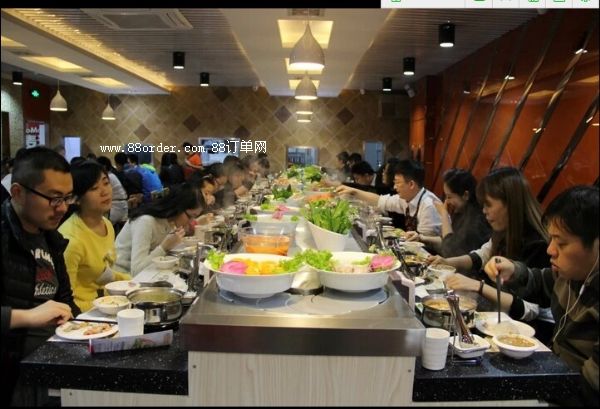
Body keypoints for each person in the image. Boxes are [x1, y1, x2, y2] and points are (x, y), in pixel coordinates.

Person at [484, 185, 598, 406]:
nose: (550, 250)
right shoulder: (573, 273)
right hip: (555, 378)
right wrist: (512, 269)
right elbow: (541, 281)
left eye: (561, 243)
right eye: (551, 239)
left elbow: (590, 391)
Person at [1, 147, 80, 406]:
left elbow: (65, 299)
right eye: (54, 198)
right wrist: (27, 317)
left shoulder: (50, 237)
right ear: (17, 193)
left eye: (67, 198)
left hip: (48, 362)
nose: (63, 208)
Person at [59, 160, 132, 312]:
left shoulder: (107, 224)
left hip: (106, 303)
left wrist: (131, 282)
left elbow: (102, 272)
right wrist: (104, 306)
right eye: (94, 188)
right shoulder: (71, 240)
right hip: (83, 313)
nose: (105, 191)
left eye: (106, 183)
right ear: (76, 198)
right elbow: (64, 300)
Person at [335, 159, 442, 237]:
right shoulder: (407, 199)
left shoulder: (428, 205)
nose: (394, 187)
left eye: (398, 183)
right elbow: (380, 200)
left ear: (411, 184)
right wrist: (353, 191)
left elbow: (427, 244)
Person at [114, 183, 204, 275]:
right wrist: (164, 247)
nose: (191, 222)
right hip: (122, 275)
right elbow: (136, 271)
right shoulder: (145, 221)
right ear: (178, 207)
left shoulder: (169, 221)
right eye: (190, 216)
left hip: (148, 273)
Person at [407, 168, 491, 257]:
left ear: (465, 195)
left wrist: (444, 214)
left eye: (449, 197)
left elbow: (449, 251)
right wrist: (421, 238)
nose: (447, 201)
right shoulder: (463, 211)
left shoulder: (476, 219)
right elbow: (449, 239)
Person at [96, 156, 129, 228]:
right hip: (123, 206)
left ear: (103, 166)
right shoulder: (112, 175)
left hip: (116, 207)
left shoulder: (107, 177)